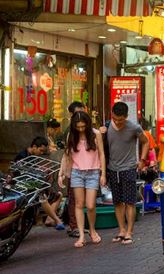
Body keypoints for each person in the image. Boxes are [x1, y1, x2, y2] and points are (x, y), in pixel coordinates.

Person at [58, 111, 106, 248]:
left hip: (93, 172)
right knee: (79, 204)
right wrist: (61, 174)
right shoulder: (71, 136)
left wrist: (103, 174)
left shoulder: (95, 134)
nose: (80, 129)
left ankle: (92, 229)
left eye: (83, 126)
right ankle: (81, 235)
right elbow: (66, 156)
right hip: (76, 172)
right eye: (78, 127)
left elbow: (102, 154)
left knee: (90, 205)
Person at [106, 102, 149, 245]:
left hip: (129, 168)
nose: (117, 122)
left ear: (126, 117)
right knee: (117, 202)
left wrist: (142, 160)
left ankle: (130, 232)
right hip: (112, 169)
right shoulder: (106, 127)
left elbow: (146, 142)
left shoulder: (134, 128)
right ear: (111, 115)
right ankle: (121, 230)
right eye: (115, 119)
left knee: (130, 202)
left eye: (121, 120)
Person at [14, 137, 65, 230]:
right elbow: (20, 173)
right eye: (40, 150)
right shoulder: (22, 156)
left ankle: (50, 219)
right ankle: (57, 220)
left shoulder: (32, 156)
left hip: (34, 184)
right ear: (34, 147)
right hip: (24, 185)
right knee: (42, 197)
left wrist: (42, 172)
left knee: (58, 195)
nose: (41, 153)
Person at [61, 101, 86, 238]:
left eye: (82, 112)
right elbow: (66, 153)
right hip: (74, 169)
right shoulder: (70, 131)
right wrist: (63, 172)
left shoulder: (85, 127)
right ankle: (74, 226)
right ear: (71, 115)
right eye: (78, 113)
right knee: (74, 199)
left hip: (85, 170)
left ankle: (78, 225)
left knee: (81, 200)